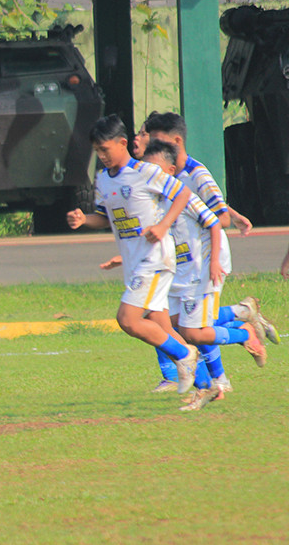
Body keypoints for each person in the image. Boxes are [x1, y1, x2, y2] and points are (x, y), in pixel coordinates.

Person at [66, 115, 200, 399]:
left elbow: (183, 193)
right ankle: (207, 386)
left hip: (155, 259)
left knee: (127, 319)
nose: (102, 156)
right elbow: (105, 217)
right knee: (162, 328)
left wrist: (163, 226)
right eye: (97, 151)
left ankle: (185, 355)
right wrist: (83, 219)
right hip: (134, 262)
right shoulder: (103, 179)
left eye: (105, 149)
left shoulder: (145, 171)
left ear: (122, 143)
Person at [143, 112, 278, 392]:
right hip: (182, 260)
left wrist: (224, 221)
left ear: (176, 141)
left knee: (193, 327)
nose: (152, 148)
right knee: (175, 322)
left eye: (158, 142)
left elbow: (218, 217)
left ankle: (222, 372)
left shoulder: (196, 174)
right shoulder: (164, 175)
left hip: (205, 260)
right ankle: (240, 315)